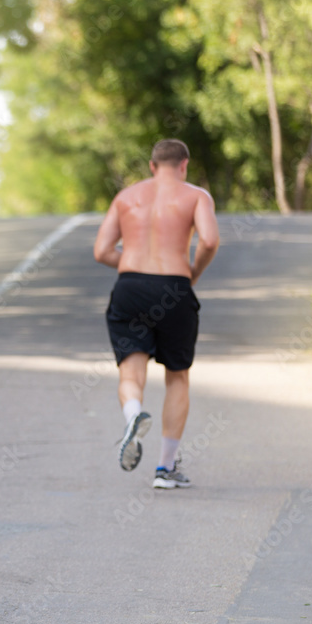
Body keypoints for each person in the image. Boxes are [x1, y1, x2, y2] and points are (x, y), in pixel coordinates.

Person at [93, 139, 219, 489]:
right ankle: (165, 470)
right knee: (177, 376)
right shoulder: (196, 196)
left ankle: (133, 414)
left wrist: (134, 264)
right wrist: (192, 271)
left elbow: (101, 251)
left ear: (152, 166)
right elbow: (209, 240)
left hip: (129, 287)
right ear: (184, 165)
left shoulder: (126, 198)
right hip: (174, 288)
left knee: (130, 369)